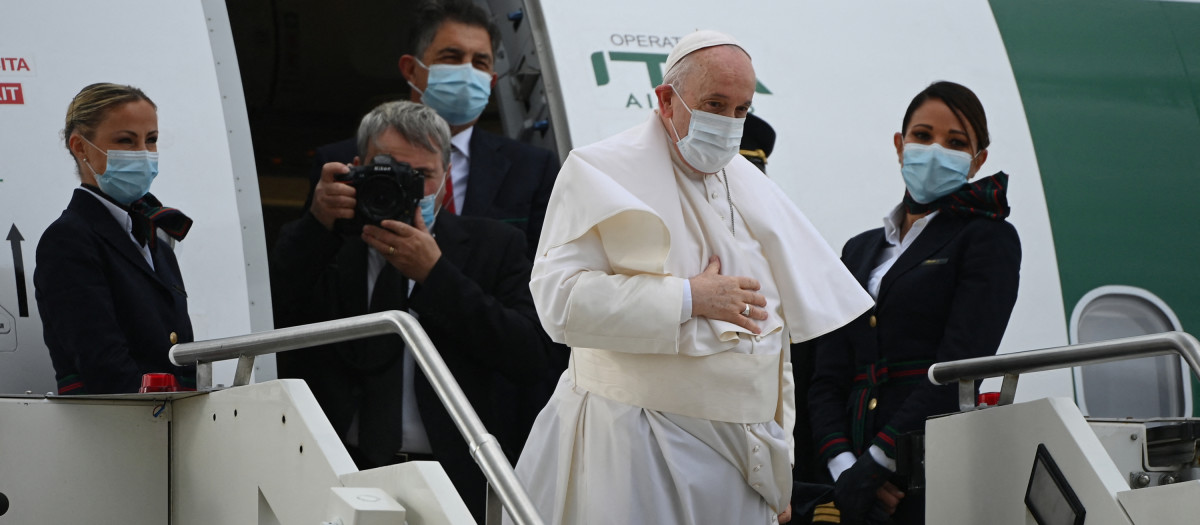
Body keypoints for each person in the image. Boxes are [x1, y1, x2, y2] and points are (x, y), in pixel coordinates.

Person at [510, 30, 874, 525]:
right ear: (665, 100)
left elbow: (772, 353)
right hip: (631, 444)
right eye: (714, 104)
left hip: (739, 468)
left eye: (741, 110)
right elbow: (558, 303)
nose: (728, 124)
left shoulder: (755, 193)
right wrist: (687, 298)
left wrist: (779, 469)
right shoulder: (598, 172)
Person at [271, 100, 555, 521]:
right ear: (355, 169)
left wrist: (435, 275)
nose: (407, 190)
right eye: (388, 172)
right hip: (335, 468)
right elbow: (272, 308)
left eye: (421, 177)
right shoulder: (322, 243)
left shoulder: (494, 246)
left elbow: (533, 356)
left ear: (446, 181)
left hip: (453, 477)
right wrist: (317, 224)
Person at [807, 81, 1021, 524]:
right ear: (900, 145)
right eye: (923, 136)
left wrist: (880, 463)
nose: (936, 149)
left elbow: (961, 363)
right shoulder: (858, 250)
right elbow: (827, 373)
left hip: (921, 468)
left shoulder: (987, 238)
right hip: (846, 468)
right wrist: (846, 467)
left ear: (977, 160)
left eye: (956, 142)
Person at [308, 0, 559, 257]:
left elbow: (541, 276)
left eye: (480, 63)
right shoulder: (339, 165)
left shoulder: (532, 170)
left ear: (492, 82)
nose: (466, 72)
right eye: (451, 58)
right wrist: (318, 219)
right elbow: (306, 272)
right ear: (411, 69)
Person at [35, 83, 196, 395]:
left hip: (169, 423)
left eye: (151, 140)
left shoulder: (158, 242)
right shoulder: (68, 239)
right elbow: (100, 360)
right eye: (126, 141)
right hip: (114, 425)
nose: (144, 154)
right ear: (80, 147)